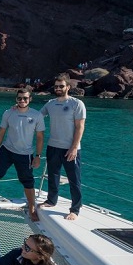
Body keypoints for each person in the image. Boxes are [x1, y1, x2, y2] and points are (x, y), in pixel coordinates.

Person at [0, 88, 45, 221]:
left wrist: (38, 156)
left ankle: (31, 207)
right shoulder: (8, 113)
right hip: (6, 150)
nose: (22, 100)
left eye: (25, 98)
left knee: (28, 181)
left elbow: (40, 137)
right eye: (19, 98)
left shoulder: (37, 115)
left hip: (25, 155)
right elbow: (1, 132)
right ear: (16, 99)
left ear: (30, 99)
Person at [39, 73, 86, 220]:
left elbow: (80, 127)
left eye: (61, 86)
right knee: (53, 176)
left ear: (68, 87)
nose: (58, 88)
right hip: (53, 146)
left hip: (71, 148)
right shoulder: (50, 104)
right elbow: (36, 116)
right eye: (56, 86)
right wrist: (19, 108)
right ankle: (52, 200)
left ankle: (75, 209)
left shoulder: (76, 104)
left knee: (74, 179)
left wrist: (73, 147)